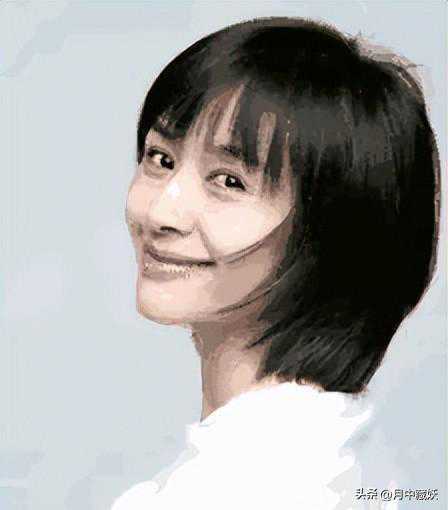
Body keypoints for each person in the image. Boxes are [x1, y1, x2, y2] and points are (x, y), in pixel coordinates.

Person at [112, 16, 440, 510]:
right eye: (161, 158)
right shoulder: (343, 453)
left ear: (335, 233)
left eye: (229, 181)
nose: (160, 213)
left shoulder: (249, 488)